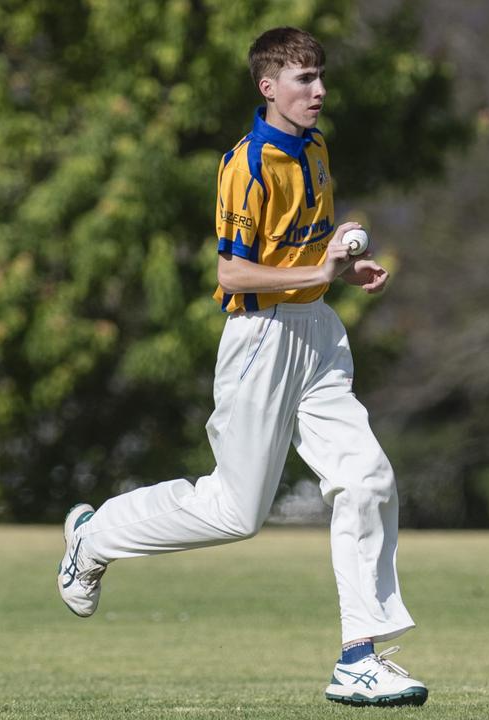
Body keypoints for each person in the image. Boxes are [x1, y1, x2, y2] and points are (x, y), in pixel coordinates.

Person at [56, 26, 427, 708]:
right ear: (268, 87)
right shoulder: (245, 164)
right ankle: (94, 536)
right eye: (303, 80)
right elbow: (231, 270)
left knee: (367, 479)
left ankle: (359, 658)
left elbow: (306, 249)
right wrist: (318, 269)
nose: (317, 91)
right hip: (258, 338)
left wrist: (341, 269)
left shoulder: (314, 147)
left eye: (319, 77)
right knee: (236, 511)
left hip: (316, 331)